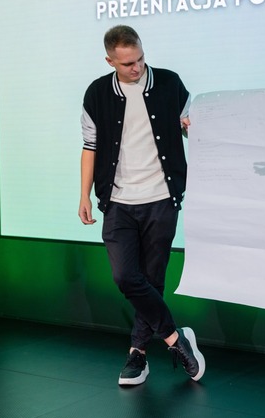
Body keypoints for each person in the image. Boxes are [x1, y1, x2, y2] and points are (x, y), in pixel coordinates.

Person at [79, 24, 205, 386]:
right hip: (118, 201)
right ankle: (176, 339)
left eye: (140, 59)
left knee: (152, 279)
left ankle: (138, 354)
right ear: (110, 61)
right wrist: (84, 194)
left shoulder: (169, 83)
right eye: (127, 64)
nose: (137, 68)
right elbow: (89, 147)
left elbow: (192, 129)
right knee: (125, 276)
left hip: (161, 198)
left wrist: (191, 126)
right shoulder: (97, 93)